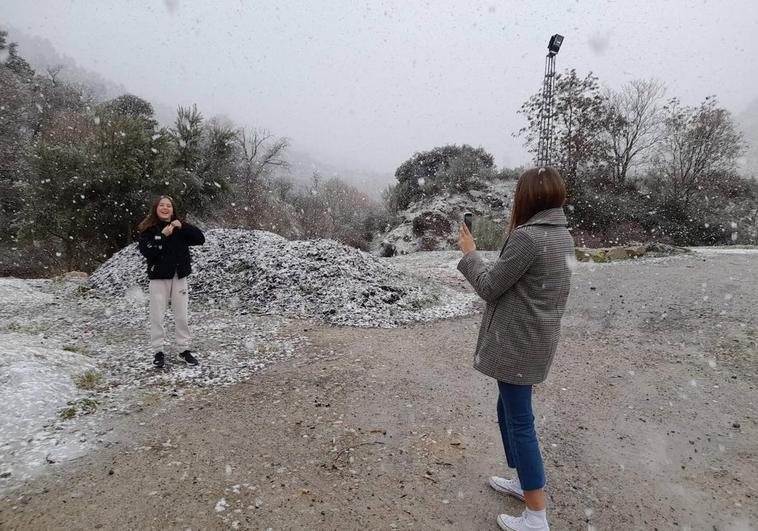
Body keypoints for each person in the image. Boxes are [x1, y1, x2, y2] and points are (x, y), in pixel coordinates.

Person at [457, 167, 574, 531]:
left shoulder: (528, 237)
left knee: (520, 422)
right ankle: (524, 481)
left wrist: (471, 254)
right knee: (508, 408)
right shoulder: (562, 234)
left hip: (518, 344)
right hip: (537, 340)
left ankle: (536, 515)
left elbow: (490, 286)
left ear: (527, 198)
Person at [137, 195, 205, 369]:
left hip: (179, 277)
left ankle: (184, 349)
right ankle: (158, 350)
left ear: (173, 209)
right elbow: (147, 251)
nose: (165, 208)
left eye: (169, 205)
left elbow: (200, 239)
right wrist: (162, 235)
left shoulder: (180, 227)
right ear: (156, 208)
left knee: (182, 315)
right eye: (162, 205)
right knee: (157, 315)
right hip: (159, 278)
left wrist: (183, 226)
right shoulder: (148, 229)